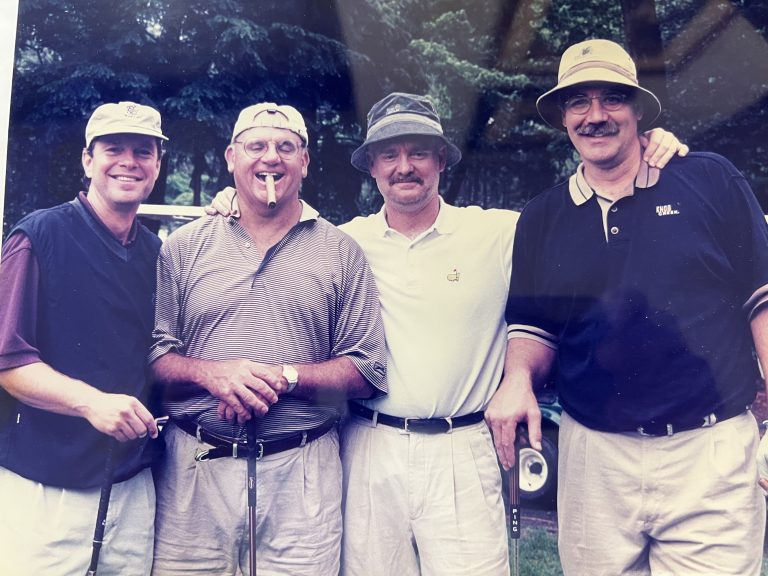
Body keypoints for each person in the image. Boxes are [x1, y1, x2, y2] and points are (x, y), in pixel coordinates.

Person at [211, 92, 686, 575]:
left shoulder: (498, 233)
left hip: (464, 445)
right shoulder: (343, 241)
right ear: (372, 165)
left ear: (440, 159)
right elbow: (273, 224)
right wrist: (233, 199)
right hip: (370, 446)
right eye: (390, 155)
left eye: (418, 151)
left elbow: (578, 211)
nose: (405, 167)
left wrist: (638, 151)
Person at [502, 38, 768, 576]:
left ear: (639, 109)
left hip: (709, 453)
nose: (595, 116)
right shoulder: (543, 216)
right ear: (562, 116)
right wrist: (516, 380)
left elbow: (761, 302)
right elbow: (534, 328)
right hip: (594, 458)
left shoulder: (710, 179)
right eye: (579, 101)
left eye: (612, 99)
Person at [149, 102, 387, 575]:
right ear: (231, 157)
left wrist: (277, 379)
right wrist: (215, 376)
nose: (270, 158)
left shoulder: (340, 251)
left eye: (286, 147)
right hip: (195, 471)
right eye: (256, 146)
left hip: (301, 476)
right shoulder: (184, 247)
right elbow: (155, 357)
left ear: (305, 161)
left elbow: (366, 370)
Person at [0, 101, 167, 575]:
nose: (129, 161)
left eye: (144, 150)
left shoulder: (156, 252)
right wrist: (91, 402)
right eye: (113, 148)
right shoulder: (39, 235)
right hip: (44, 489)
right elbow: (9, 362)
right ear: (88, 160)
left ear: (157, 165)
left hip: (130, 488)